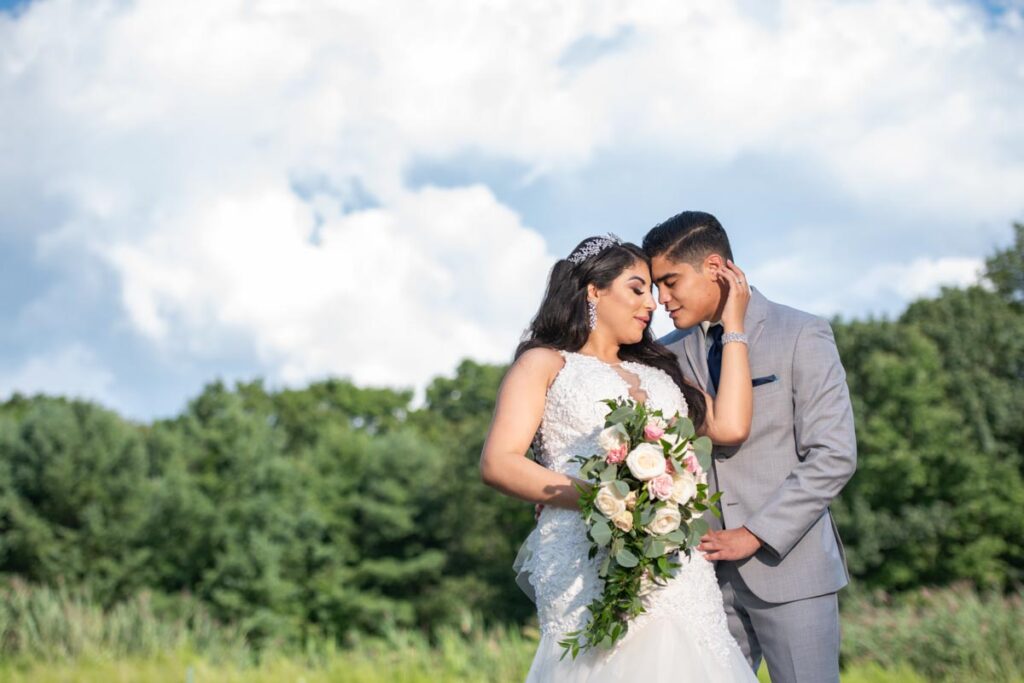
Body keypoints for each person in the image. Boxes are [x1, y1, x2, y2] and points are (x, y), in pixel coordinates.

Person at [480, 235, 757, 682]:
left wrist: (734, 327)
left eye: (652, 291)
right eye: (637, 288)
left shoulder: (662, 371)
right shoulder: (546, 364)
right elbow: (499, 462)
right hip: (584, 556)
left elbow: (730, 425)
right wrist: (607, 498)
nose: (652, 303)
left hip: (674, 563)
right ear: (594, 290)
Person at [644, 211, 857, 683]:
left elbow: (834, 454)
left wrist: (756, 533)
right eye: (656, 286)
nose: (662, 299)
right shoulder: (666, 353)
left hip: (791, 570)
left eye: (671, 282)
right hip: (700, 578)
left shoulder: (802, 333)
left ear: (716, 268)